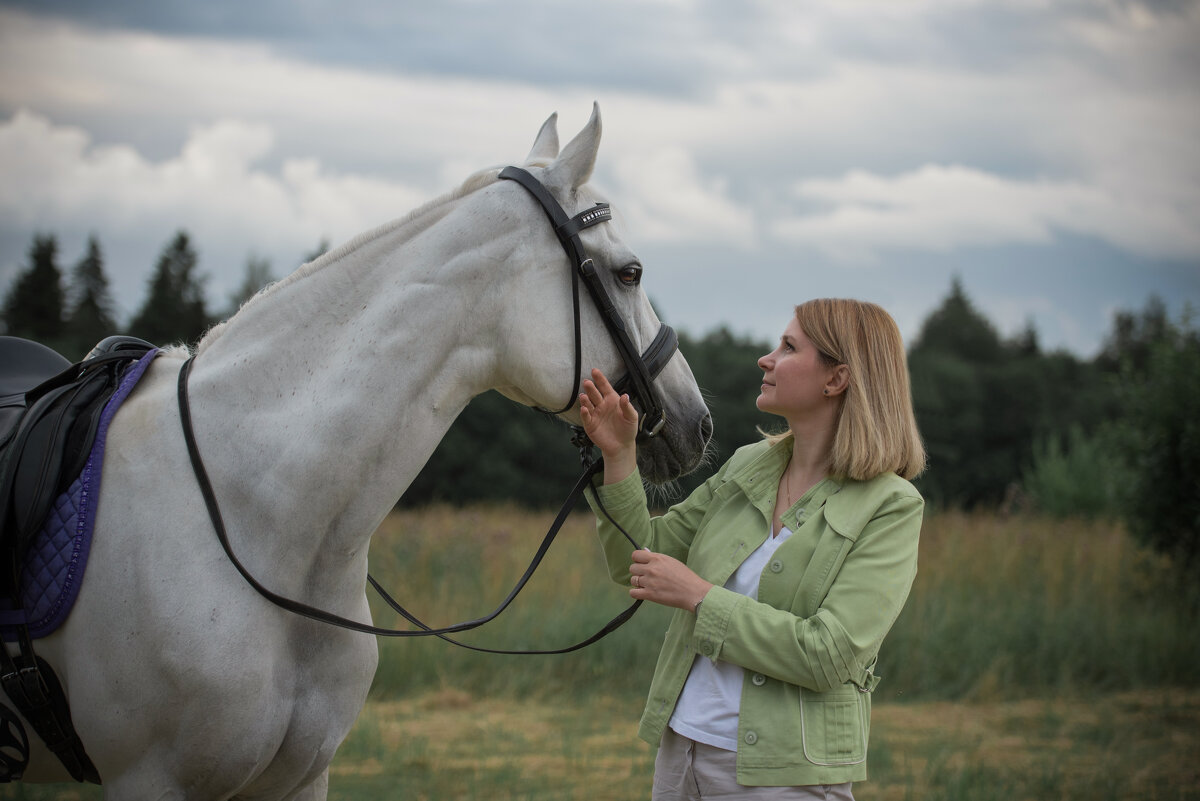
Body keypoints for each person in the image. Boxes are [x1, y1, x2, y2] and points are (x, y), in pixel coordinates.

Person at [578, 298, 926, 800]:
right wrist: (619, 455)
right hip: (682, 751)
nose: (766, 358)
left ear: (837, 379)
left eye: (788, 347)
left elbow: (829, 655)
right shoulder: (750, 464)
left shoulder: (891, 506)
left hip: (785, 774)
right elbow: (640, 558)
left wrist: (700, 597)